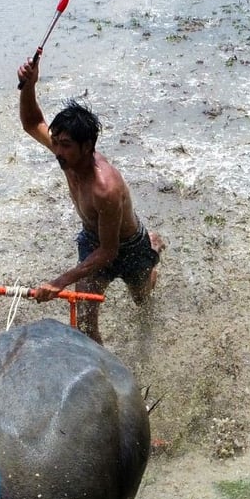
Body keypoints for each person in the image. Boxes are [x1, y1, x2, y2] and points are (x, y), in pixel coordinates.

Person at [15, 52, 164, 341]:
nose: (57, 152)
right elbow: (32, 122)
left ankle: (153, 249)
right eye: (56, 143)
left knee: (142, 299)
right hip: (92, 239)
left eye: (65, 145)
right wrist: (30, 84)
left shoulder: (105, 188)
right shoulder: (66, 155)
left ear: (87, 147)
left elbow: (109, 251)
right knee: (84, 320)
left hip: (128, 247)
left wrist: (60, 281)